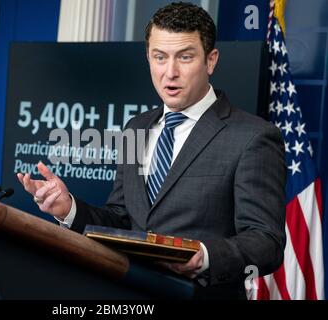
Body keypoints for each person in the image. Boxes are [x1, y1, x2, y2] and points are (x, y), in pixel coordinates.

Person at [17, 2, 286, 299]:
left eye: (185, 57)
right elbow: (122, 219)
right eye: (160, 57)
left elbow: (266, 241)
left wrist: (205, 255)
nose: (170, 72)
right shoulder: (136, 128)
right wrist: (68, 208)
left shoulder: (254, 137)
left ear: (210, 61)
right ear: (148, 57)